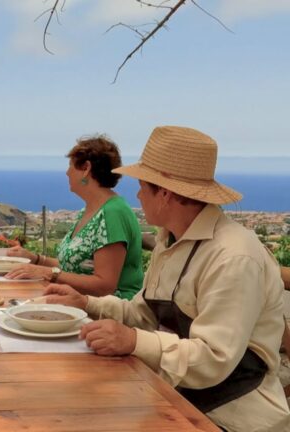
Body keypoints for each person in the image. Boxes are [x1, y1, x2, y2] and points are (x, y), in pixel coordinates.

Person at [44, 126, 290, 431]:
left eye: (142, 186)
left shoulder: (233, 257)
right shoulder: (171, 240)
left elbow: (213, 358)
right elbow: (143, 312)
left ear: (165, 193)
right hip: (175, 398)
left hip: (232, 418)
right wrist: (86, 303)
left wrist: (132, 341)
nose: (136, 194)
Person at [6, 135, 143, 299]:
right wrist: (34, 258)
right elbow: (74, 268)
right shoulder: (91, 210)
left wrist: (49, 273)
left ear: (86, 168)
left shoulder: (113, 213)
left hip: (106, 315)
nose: (67, 172)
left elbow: (104, 286)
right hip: (80, 305)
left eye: (70, 165)